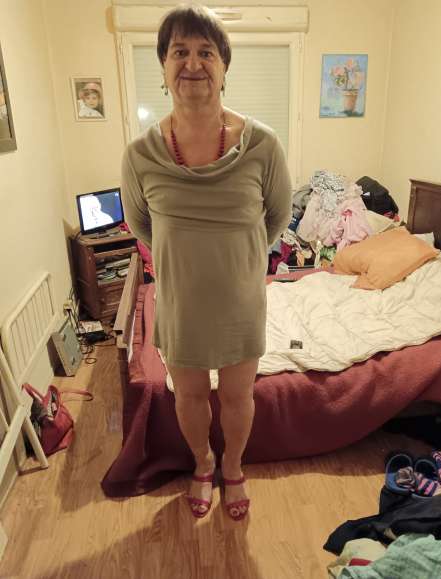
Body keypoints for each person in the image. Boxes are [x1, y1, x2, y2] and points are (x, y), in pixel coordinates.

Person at [121, 4, 292, 520]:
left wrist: (237, 259)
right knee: (189, 398)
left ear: (224, 67)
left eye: (206, 52)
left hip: (240, 303)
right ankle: (203, 463)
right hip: (180, 303)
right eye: (180, 51)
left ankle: (233, 467)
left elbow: (277, 218)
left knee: (238, 398)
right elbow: (140, 224)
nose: (193, 64)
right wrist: (183, 257)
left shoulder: (263, 145)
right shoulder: (139, 154)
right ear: (163, 66)